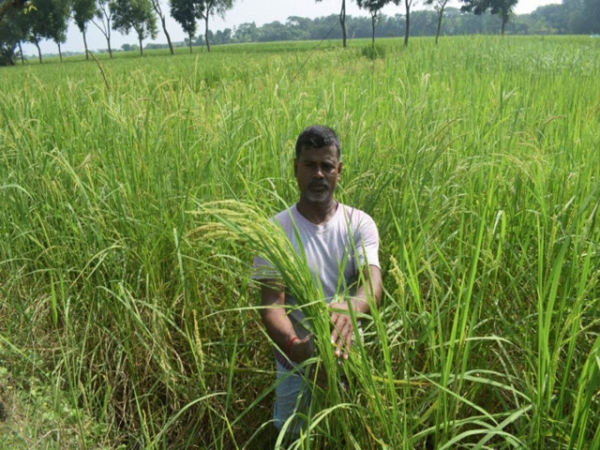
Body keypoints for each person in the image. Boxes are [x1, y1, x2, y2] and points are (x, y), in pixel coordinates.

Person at [253, 125, 383, 441]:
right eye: (310, 165)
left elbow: (373, 282)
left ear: (339, 171)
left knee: (349, 431)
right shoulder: (275, 231)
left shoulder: (358, 224)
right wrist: (298, 350)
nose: (319, 174)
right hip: (294, 355)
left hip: (348, 353)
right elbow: (271, 303)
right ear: (295, 169)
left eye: (327, 166)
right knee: (291, 434)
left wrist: (352, 305)